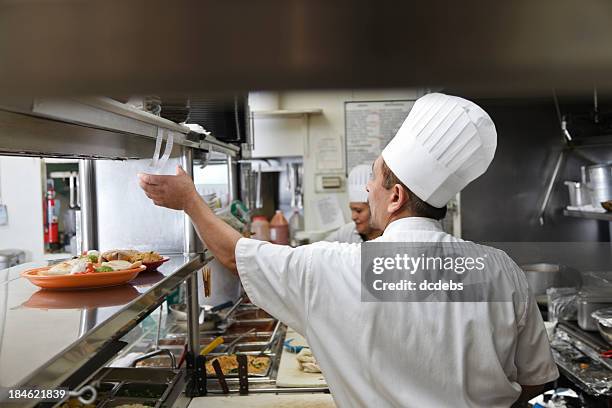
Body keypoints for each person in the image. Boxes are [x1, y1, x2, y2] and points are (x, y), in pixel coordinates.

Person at [138, 93, 558, 407]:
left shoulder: (337, 267)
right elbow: (537, 379)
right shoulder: (501, 269)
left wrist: (190, 201)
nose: (367, 190)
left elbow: (235, 255)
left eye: (372, 180)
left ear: (394, 197)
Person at [324, 164, 382, 243]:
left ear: (375, 209)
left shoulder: (392, 235)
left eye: (358, 211)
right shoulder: (347, 232)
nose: (353, 217)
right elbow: (320, 248)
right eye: (352, 210)